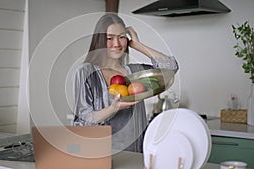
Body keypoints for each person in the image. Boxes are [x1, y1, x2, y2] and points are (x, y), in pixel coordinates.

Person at [72, 13, 178, 152]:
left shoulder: (135, 72)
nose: (116, 44)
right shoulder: (85, 72)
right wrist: (113, 108)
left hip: (137, 152)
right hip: (103, 155)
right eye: (109, 38)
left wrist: (138, 45)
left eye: (122, 37)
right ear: (99, 41)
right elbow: (82, 123)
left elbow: (171, 68)